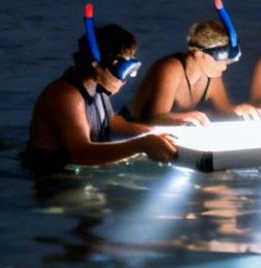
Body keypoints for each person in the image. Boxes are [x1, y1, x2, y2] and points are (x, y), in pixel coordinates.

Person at [21, 20, 177, 171]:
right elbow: (81, 154)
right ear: (97, 66)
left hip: (79, 172)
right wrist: (141, 145)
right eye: (124, 71)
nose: (126, 80)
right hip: (53, 180)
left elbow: (109, 121)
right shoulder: (66, 96)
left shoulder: (96, 87)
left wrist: (150, 131)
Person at [126, 17, 261, 126]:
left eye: (230, 56)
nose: (226, 64)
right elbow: (154, 119)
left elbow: (225, 110)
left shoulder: (211, 75)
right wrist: (183, 117)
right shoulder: (170, 69)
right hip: (135, 133)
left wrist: (242, 110)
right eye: (221, 56)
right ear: (199, 54)